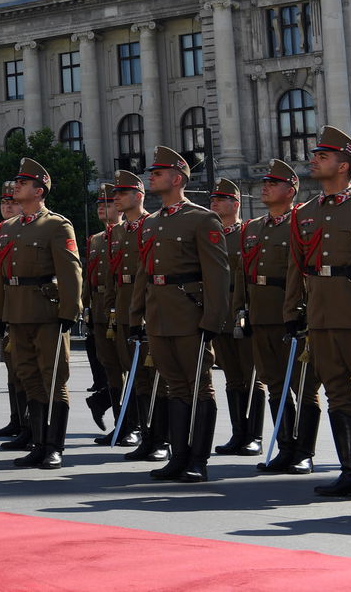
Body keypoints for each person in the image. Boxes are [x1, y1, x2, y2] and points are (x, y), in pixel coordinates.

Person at [285, 126, 351, 499]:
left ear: (344, 166)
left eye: (323, 156)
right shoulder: (305, 213)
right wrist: (292, 311)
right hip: (321, 316)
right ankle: (350, 471)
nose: (314, 160)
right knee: (338, 395)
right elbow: (297, 267)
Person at [127, 146, 229, 483]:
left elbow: (217, 274)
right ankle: (179, 456)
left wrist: (212, 320)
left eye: (157, 173)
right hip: (159, 314)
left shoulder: (202, 218)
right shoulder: (152, 222)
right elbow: (145, 271)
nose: (151, 177)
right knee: (173, 387)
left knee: (199, 386)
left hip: (189, 313)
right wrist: (136, 314)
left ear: (177, 178)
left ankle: (197, 460)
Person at [0, 158, 82, 470]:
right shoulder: (7, 229)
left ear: (39, 190)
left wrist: (70, 311)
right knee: (29, 379)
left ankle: (54, 447)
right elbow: (2, 276)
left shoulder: (57, 225)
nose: (17, 186)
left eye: (24, 183)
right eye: (17, 182)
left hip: (47, 312)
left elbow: (70, 272)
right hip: (17, 313)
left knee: (53, 378)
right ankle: (38, 443)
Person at [242, 160, 320, 475]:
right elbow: (243, 273)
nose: (265, 187)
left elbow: (305, 272)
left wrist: (303, 311)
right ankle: (286, 447)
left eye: (272, 183)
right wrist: (241, 310)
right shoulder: (255, 227)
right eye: (265, 183)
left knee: (304, 386)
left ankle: (304, 452)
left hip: (293, 315)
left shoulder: (301, 223)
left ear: (290, 190)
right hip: (261, 314)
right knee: (275, 384)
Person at [209, 180, 263, 456]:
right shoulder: (211, 235)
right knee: (231, 378)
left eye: (221, 199)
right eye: (213, 199)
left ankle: (254, 435)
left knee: (251, 376)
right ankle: (238, 433)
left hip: (242, 311)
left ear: (235, 203)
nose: (214, 203)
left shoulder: (248, 233)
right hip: (220, 311)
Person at [110, 172, 156, 456]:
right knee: (134, 373)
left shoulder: (151, 225)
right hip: (124, 306)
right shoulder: (117, 231)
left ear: (139, 196)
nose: (116, 197)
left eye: (122, 193)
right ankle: (141, 431)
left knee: (150, 375)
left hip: (149, 306)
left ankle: (156, 436)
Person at [0, 181, 26, 445]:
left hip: (24, 310)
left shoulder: (26, 231)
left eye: (11, 201)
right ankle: (17, 419)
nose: (7, 206)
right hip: (5, 311)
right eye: (3, 202)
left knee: (25, 370)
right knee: (12, 369)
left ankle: (28, 423)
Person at [86, 182, 125, 442]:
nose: (102, 207)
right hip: (100, 311)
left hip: (121, 308)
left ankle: (133, 425)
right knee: (110, 367)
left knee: (130, 368)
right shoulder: (97, 240)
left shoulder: (127, 234)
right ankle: (120, 422)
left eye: (108, 203)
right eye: (100, 203)